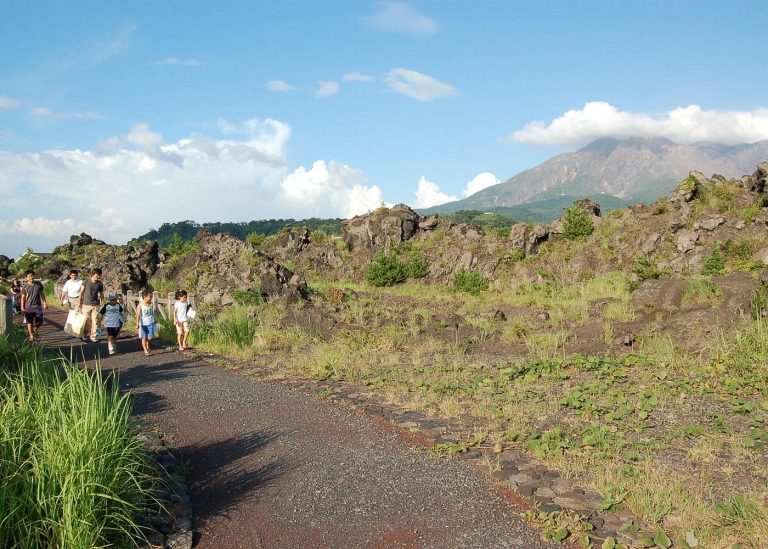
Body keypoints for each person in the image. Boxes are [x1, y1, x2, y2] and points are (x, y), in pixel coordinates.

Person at [20, 271, 47, 341]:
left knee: (40, 321)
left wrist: (44, 303)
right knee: (29, 322)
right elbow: (23, 297)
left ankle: (35, 328)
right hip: (28, 307)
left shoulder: (38, 284)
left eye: (32, 276)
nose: (31, 277)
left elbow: (42, 294)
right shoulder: (25, 286)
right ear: (26, 278)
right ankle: (31, 335)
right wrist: (22, 307)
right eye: (29, 276)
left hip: (37, 306)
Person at [78, 268, 104, 342]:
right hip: (86, 305)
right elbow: (81, 292)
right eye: (97, 275)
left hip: (96, 305)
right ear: (93, 274)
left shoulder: (100, 284)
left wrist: (102, 302)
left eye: (99, 275)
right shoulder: (86, 282)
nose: (98, 276)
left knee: (95, 322)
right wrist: (79, 302)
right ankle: (85, 334)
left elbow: (101, 294)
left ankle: (93, 337)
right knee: (86, 321)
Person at [136, 290, 157, 356]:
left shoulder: (151, 304)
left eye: (151, 297)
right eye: (150, 296)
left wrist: (155, 320)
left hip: (151, 322)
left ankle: (148, 345)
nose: (151, 298)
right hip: (143, 323)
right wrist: (137, 323)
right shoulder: (140, 305)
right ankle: (145, 350)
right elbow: (138, 315)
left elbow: (152, 313)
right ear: (144, 296)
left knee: (150, 337)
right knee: (144, 337)